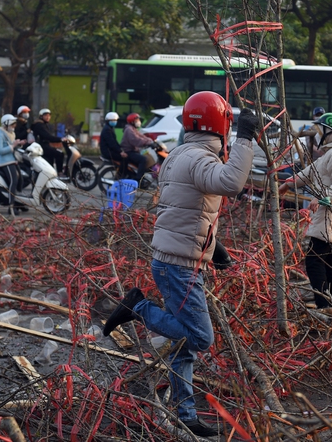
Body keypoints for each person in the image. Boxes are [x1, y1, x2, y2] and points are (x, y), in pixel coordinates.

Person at [102, 91, 258, 437]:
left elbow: (188, 211)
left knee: (184, 344)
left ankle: (185, 412)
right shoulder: (200, 159)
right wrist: (246, 138)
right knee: (200, 337)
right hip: (179, 266)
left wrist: (215, 250)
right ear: (220, 125)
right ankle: (138, 308)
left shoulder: (181, 154)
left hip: (177, 259)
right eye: (229, 126)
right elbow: (232, 183)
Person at [279, 112, 332, 309]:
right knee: (329, 262)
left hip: (330, 216)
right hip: (329, 217)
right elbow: (309, 172)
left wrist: (321, 198)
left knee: (314, 261)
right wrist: (289, 183)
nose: (318, 134)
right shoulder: (329, 154)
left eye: (321, 130)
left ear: (330, 133)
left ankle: (324, 305)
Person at [0, 114, 26, 216]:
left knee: (21, 181)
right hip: (5, 162)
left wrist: (19, 143)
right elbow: (0, 151)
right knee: (13, 181)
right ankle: (11, 207)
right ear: (6, 124)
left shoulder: (11, 133)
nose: (14, 126)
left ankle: (19, 203)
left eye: (14, 124)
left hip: (13, 160)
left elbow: (12, 145)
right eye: (12, 124)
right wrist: (13, 146)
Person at [120, 112, 155, 188]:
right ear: (132, 121)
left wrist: (150, 141)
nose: (139, 121)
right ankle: (138, 179)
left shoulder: (133, 129)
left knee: (146, 156)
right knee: (143, 159)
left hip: (133, 151)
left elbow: (141, 136)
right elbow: (136, 140)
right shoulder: (129, 130)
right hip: (128, 152)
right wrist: (148, 142)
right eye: (137, 120)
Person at [32, 108, 65, 177]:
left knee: (51, 159)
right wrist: (61, 139)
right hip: (41, 146)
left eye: (49, 115)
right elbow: (48, 136)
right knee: (59, 154)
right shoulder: (40, 125)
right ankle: (60, 172)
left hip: (44, 145)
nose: (48, 117)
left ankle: (51, 174)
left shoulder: (43, 124)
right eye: (46, 115)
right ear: (41, 116)